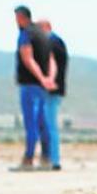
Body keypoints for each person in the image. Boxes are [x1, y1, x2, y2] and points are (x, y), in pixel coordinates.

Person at [7, 5, 57, 172]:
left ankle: (28, 158)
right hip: (41, 86)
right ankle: (46, 158)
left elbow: (27, 59)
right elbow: (51, 60)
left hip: (30, 84)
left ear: (20, 17)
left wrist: (42, 78)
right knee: (42, 122)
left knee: (32, 123)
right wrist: (49, 78)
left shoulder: (26, 34)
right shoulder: (42, 34)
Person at [36, 18, 67, 172]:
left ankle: (54, 160)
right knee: (47, 124)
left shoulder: (52, 43)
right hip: (53, 88)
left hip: (51, 89)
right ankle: (50, 158)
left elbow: (53, 64)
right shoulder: (56, 42)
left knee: (50, 125)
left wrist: (50, 82)